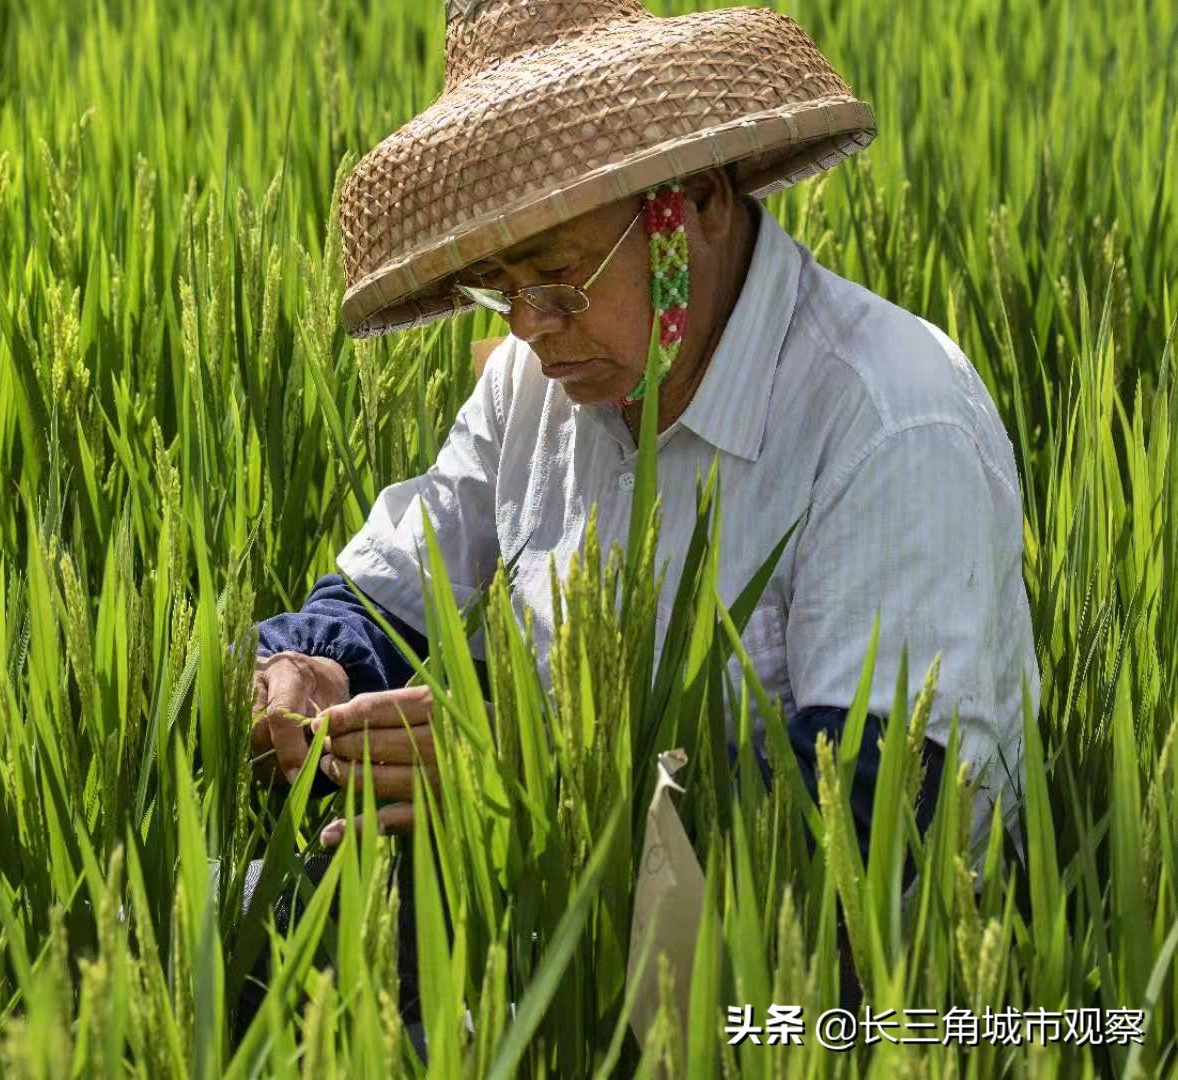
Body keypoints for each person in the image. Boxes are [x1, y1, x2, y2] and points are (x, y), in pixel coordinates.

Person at [246, 0, 1039, 1014]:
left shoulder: (888, 418)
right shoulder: (537, 381)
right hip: (555, 934)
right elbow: (389, 597)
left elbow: (881, 812)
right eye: (497, 287)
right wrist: (309, 669)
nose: (528, 327)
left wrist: (547, 783)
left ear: (698, 197)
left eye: (558, 276)